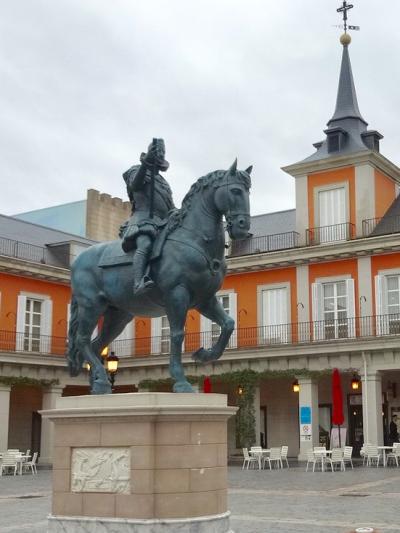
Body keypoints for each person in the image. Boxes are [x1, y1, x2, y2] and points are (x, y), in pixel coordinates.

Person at [120, 139, 175, 295]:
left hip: (163, 222)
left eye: (162, 153)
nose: (160, 155)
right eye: (157, 152)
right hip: (143, 219)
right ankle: (138, 282)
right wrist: (145, 164)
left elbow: (170, 206)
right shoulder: (136, 170)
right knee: (145, 244)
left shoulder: (163, 182)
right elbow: (135, 185)